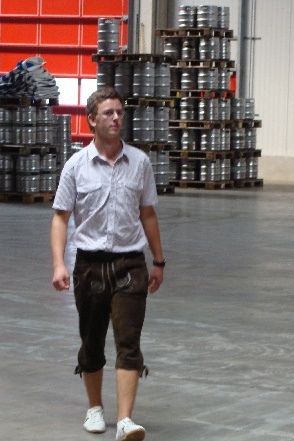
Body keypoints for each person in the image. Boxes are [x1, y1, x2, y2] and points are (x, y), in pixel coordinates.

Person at [50, 86, 165, 441]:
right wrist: (59, 264)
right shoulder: (76, 166)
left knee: (129, 342)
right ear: (91, 120)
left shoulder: (140, 163)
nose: (116, 118)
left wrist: (159, 260)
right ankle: (95, 408)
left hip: (131, 265)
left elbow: (148, 213)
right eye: (108, 113)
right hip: (89, 266)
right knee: (92, 340)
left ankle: (126, 419)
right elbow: (60, 217)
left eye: (120, 112)